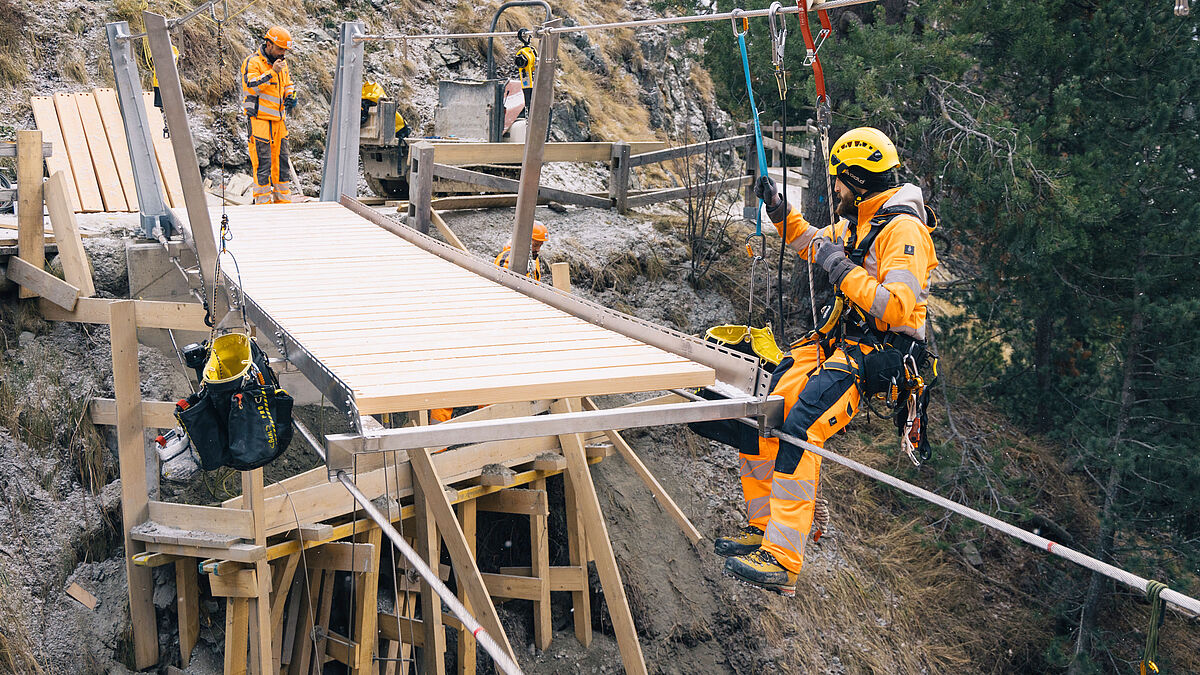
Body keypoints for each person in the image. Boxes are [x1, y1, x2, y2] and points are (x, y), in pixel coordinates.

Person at [717, 127, 939, 596]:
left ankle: (783, 560)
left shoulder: (904, 231)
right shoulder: (860, 221)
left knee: (801, 425)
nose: (831, 188)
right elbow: (813, 242)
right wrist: (779, 211)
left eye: (837, 180)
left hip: (878, 353)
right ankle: (762, 532)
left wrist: (843, 270)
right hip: (839, 343)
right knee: (767, 408)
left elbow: (897, 307)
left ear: (857, 180)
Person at [241, 26, 297, 204]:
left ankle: (283, 202)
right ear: (268, 44)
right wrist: (273, 72)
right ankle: (263, 202)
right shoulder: (253, 62)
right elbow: (251, 86)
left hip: (279, 121)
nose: (283, 53)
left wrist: (291, 95)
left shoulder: (282, 63)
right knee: (263, 163)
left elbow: (287, 83)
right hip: (259, 120)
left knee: (281, 163)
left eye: (285, 50)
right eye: (280, 49)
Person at [514, 29, 537, 116]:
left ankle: (529, 106)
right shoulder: (524, 57)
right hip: (527, 64)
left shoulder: (525, 55)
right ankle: (528, 106)